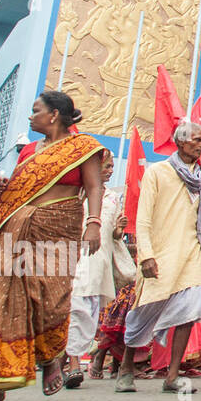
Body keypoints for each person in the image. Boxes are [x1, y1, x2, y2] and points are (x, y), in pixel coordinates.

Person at [0, 91, 105, 401]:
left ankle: (52, 356)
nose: (30, 116)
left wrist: (94, 223)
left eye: (35, 110)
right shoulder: (27, 151)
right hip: (15, 227)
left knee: (50, 300)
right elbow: (16, 191)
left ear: (53, 115)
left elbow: (94, 186)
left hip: (59, 227)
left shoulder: (83, 148)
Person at [116, 122, 201, 393]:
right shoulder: (158, 172)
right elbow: (143, 218)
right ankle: (126, 367)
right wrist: (146, 255)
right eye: (196, 140)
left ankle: (172, 376)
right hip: (160, 253)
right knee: (144, 310)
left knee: (189, 311)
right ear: (180, 142)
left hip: (192, 252)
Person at [62, 151, 119, 387]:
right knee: (77, 307)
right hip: (77, 258)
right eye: (106, 166)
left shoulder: (114, 197)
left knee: (92, 311)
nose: (110, 170)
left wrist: (119, 230)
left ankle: (64, 358)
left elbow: (114, 234)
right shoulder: (77, 192)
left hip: (101, 262)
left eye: (112, 166)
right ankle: (74, 363)